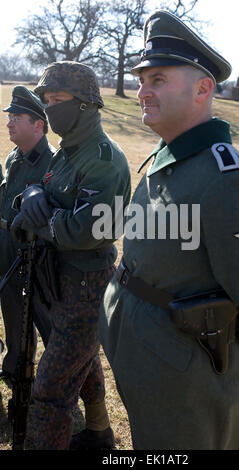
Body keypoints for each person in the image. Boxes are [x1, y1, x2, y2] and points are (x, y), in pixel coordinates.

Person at [99, 10, 239, 450]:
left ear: (203, 89)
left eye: (158, 79)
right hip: (141, 346)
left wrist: (204, 343)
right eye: (142, 79)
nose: (142, 91)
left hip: (184, 367)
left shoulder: (226, 179)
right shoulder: (168, 154)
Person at [11, 61, 131, 450]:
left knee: (50, 391)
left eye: (57, 99)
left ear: (84, 104)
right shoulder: (68, 153)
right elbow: (47, 195)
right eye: (46, 100)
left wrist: (41, 217)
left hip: (85, 284)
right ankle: (99, 432)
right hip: (56, 278)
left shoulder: (104, 158)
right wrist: (30, 197)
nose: (49, 107)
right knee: (83, 362)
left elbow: (90, 228)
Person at [0, 86, 53, 383]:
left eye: (16, 117)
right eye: (9, 117)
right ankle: (16, 372)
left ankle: (58, 383)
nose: (8, 122)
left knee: (47, 325)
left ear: (38, 125)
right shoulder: (13, 157)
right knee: (12, 315)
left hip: (37, 256)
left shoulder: (54, 164)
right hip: (8, 246)